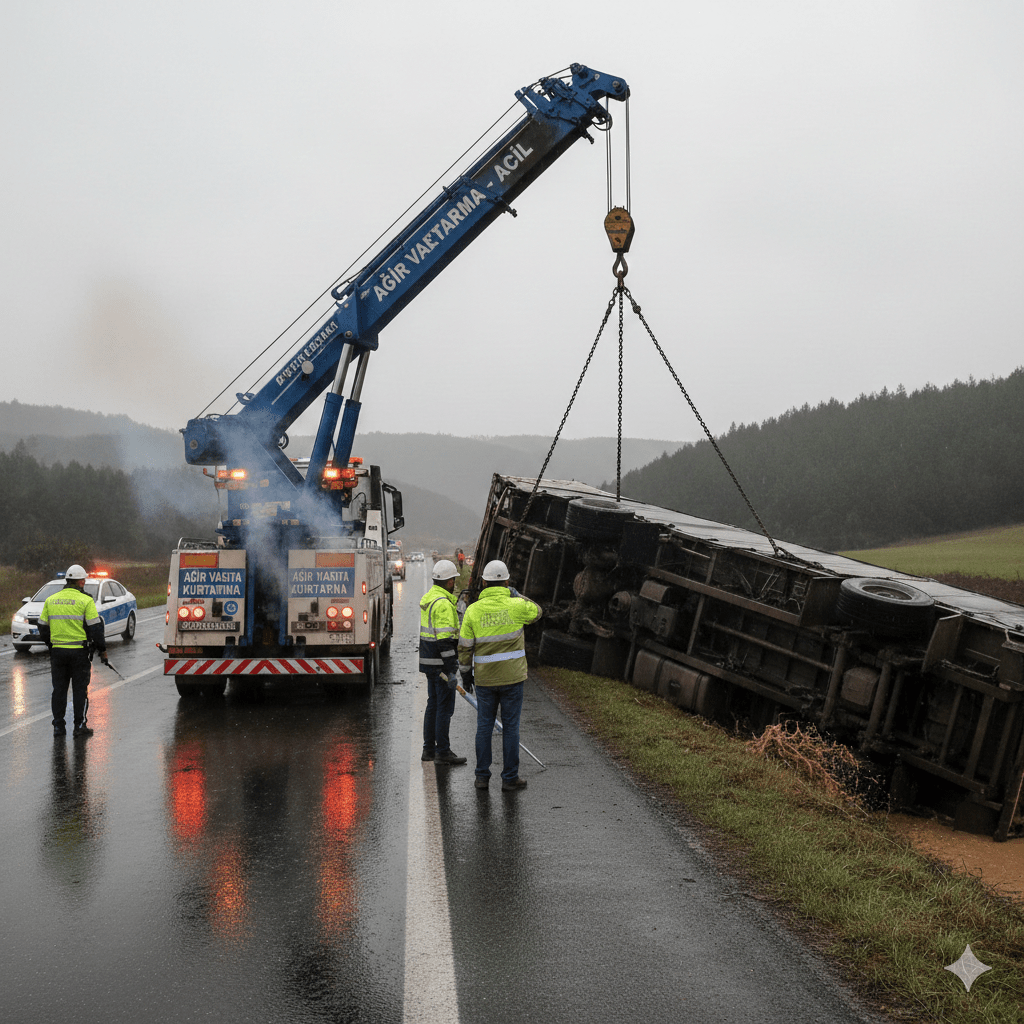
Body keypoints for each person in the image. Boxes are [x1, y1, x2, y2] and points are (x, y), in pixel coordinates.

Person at [458, 559, 542, 791]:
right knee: (511, 727)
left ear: (483, 582)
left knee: (484, 726)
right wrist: (517, 595)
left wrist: (466, 674)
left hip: (485, 680)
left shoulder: (473, 610)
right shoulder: (516, 606)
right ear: (507, 582)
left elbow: (464, 647)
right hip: (513, 679)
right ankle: (509, 778)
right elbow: (538, 611)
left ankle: (482, 777)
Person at [37, 564, 107, 738]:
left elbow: (42, 626)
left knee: (59, 691)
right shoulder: (86, 601)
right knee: (80, 690)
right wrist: (102, 650)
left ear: (67, 581)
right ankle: (79, 727)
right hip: (79, 653)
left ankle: (58, 727)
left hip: (58, 653)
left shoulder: (51, 600)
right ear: (81, 582)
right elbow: (96, 628)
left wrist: (51, 645)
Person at [419, 559, 467, 766]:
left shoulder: (429, 599)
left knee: (433, 704)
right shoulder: (444, 605)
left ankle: (429, 750)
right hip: (441, 664)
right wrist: (452, 670)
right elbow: (446, 642)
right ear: (449, 582)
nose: (455, 583)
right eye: (454, 580)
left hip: (429, 662)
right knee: (444, 708)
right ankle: (443, 752)